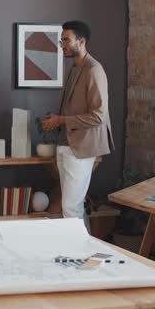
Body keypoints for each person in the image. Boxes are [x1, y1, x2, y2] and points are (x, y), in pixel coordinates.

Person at [42, 20, 114, 228]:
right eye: (61, 40)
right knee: (73, 208)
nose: (62, 44)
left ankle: (77, 256)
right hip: (66, 144)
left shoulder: (94, 70)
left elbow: (99, 115)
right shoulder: (73, 68)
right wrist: (56, 121)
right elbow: (71, 109)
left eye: (66, 40)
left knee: (71, 208)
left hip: (81, 147)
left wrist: (62, 120)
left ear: (81, 41)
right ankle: (84, 254)